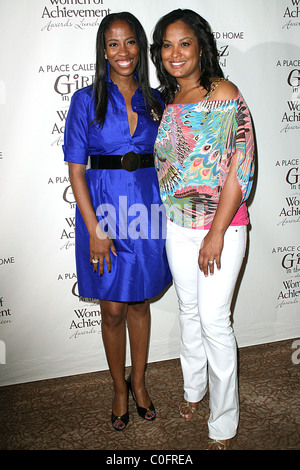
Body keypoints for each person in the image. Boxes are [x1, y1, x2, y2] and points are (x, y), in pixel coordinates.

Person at [151, 9, 255, 450]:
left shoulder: (224, 93)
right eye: (167, 46)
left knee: (214, 321)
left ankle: (224, 420)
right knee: (189, 313)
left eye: (185, 43)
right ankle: (194, 389)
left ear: (201, 47)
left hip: (222, 228)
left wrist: (215, 232)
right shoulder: (167, 100)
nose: (176, 54)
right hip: (177, 226)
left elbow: (240, 167)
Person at [63, 12, 171, 432]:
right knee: (111, 310)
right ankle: (118, 388)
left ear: (140, 48)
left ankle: (140, 383)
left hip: (147, 209)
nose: (122, 51)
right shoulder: (84, 101)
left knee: (140, 302)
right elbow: (76, 170)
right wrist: (94, 229)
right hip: (105, 211)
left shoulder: (158, 101)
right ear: (103, 50)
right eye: (113, 43)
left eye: (130, 42)